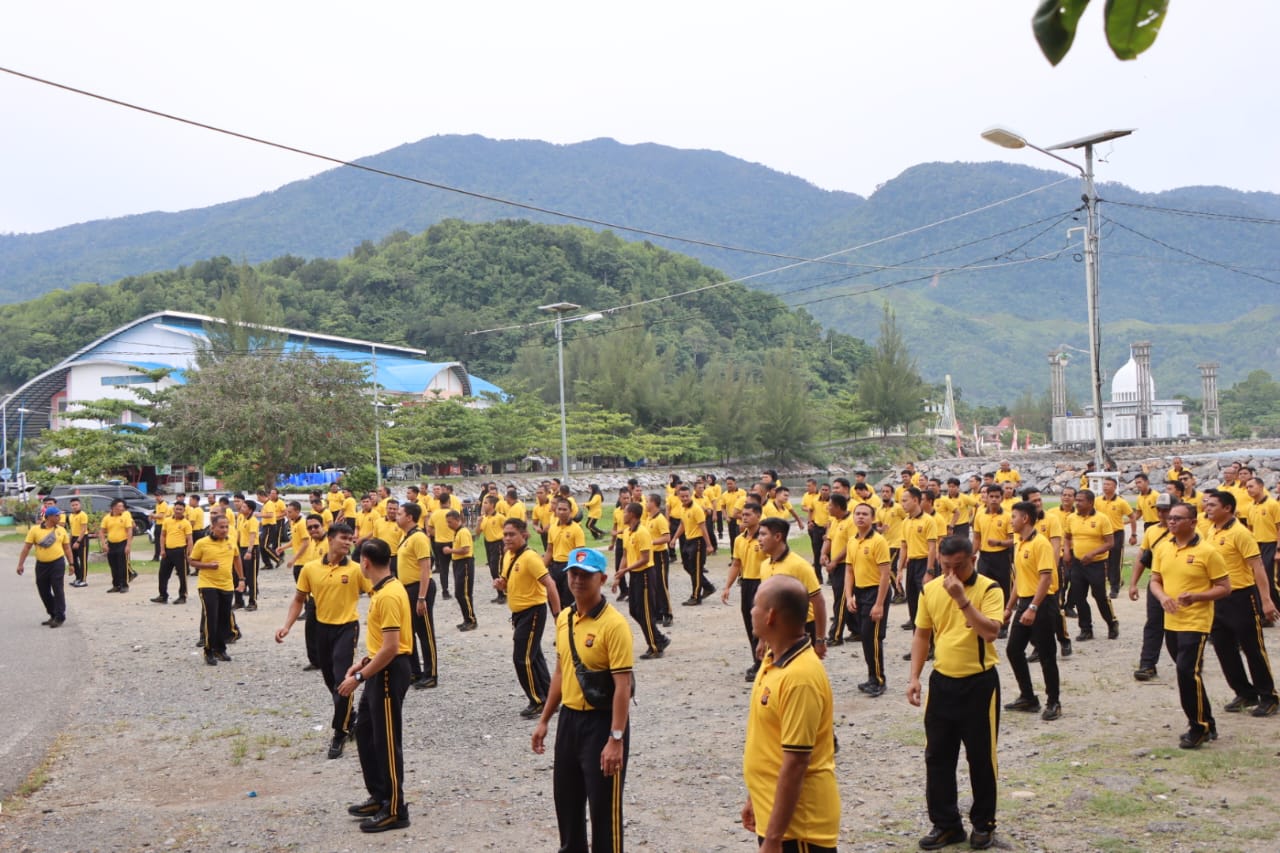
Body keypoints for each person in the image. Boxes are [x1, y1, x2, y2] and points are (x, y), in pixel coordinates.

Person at [531, 547, 634, 853]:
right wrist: (545, 719)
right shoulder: (564, 617)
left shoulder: (614, 626)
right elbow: (561, 673)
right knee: (567, 802)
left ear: (601, 579)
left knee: (604, 811)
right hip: (570, 721)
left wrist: (616, 738)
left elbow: (622, 686)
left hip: (602, 723)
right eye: (573, 574)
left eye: (585, 575)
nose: (577, 581)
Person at [907, 536, 1004, 851]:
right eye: (945, 567)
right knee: (937, 757)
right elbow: (922, 635)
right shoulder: (931, 589)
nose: (951, 574)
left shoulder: (990, 589)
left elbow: (991, 632)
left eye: (958, 566)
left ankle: (984, 824)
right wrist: (914, 677)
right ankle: (946, 825)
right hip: (942, 683)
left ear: (973, 559)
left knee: (981, 759)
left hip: (979, 684)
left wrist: (963, 600)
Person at [739, 574, 839, 853]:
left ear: (771, 616)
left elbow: (796, 762)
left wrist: (773, 839)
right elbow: (768, 740)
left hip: (800, 829)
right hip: (777, 816)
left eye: (755, 606)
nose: (751, 611)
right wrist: (755, 797)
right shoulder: (773, 660)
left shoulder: (800, 677)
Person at [274, 523, 371, 758]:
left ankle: (340, 732)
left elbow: (376, 595)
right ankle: (351, 717)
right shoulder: (310, 569)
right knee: (331, 681)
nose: (348, 542)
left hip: (347, 628)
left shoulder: (357, 570)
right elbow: (299, 599)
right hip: (321, 628)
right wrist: (286, 625)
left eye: (351, 539)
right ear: (330, 539)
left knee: (342, 680)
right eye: (343, 538)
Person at [339, 537, 413, 833]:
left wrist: (360, 676)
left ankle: (396, 808)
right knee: (367, 732)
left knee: (386, 740)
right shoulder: (383, 590)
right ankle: (380, 795)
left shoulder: (389, 595)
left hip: (387, 672)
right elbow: (382, 643)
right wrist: (363, 662)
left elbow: (392, 647)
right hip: (377, 667)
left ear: (366, 563)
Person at [1148, 503, 1232, 748]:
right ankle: (1207, 720)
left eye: (1178, 518)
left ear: (1193, 522)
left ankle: (1199, 728)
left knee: (1186, 671)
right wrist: (1163, 597)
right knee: (1189, 674)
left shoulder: (1208, 552)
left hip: (1196, 622)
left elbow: (1224, 588)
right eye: (1170, 518)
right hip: (1171, 621)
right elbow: (1155, 580)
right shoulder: (1163, 548)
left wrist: (1197, 596)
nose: (1171, 522)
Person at [1201, 490, 1280, 717]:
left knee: (1253, 648)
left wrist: (1266, 601)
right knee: (1224, 648)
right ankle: (1245, 692)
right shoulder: (1211, 531)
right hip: (1217, 598)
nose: (1207, 508)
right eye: (1207, 504)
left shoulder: (1240, 533)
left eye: (1213, 505)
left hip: (1241, 597)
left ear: (1227, 508)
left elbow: (1258, 568)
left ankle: (1269, 696)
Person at [494, 518, 562, 718]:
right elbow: (508, 581)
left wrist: (557, 614)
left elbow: (550, 584)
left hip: (533, 612)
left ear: (523, 535)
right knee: (535, 656)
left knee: (522, 659)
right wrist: (501, 584)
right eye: (505, 534)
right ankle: (551, 696)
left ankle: (538, 701)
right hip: (519, 614)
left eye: (511, 534)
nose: (507, 538)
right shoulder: (508, 555)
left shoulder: (530, 558)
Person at [1004, 502, 1062, 721]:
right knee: (1013, 649)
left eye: (1014, 516)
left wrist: (1034, 607)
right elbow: (1020, 579)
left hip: (1042, 604)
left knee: (1047, 655)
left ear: (1025, 519)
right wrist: (1009, 607)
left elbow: (1046, 578)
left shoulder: (1041, 544)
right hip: (1025, 603)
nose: (1011, 520)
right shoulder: (1019, 543)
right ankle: (1028, 697)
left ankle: (1053, 702)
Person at [757, 518, 827, 656]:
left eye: (763, 534)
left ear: (778, 537)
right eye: (759, 534)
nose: (759, 539)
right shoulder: (764, 565)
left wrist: (820, 639)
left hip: (802, 629)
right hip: (776, 629)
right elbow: (765, 605)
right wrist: (762, 639)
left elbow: (818, 601)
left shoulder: (799, 566)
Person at [845, 501, 892, 697]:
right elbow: (849, 570)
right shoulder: (852, 541)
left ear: (872, 518)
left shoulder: (878, 541)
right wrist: (849, 596)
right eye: (858, 514)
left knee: (873, 637)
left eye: (865, 514)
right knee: (865, 637)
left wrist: (879, 604)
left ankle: (879, 679)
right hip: (860, 592)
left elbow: (885, 574)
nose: (861, 517)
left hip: (876, 592)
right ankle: (872, 676)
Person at [612, 502, 670, 660]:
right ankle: (660, 638)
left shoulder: (642, 533)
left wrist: (626, 570)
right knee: (634, 610)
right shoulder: (627, 532)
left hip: (645, 574)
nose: (622, 515)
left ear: (632, 514)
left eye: (625, 512)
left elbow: (645, 559)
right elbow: (625, 555)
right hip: (635, 575)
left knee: (645, 612)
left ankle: (655, 647)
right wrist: (619, 576)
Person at [1130, 494, 1176, 681]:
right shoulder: (1152, 532)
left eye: (1165, 509)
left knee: (1178, 628)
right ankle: (1147, 664)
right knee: (1154, 624)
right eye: (1159, 509)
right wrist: (1133, 583)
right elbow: (1142, 557)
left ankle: (1190, 659)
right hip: (1157, 584)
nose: (1161, 513)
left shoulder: (1188, 530)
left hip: (1180, 585)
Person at [190, 514, 245, 666]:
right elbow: (192, 561)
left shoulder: (231, 541)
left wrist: (241, 579)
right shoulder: (202, 543)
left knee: (224, 618)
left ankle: (220, 649)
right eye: (221, 527)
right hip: (207, 585)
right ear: (212, 527)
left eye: (226, 526)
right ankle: (209, 650)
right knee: (211, 618)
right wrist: (207, 565)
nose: (224, 530)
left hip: (226, 585)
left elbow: (237, 558)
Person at [1064, 489, 1119, 641]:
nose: (1077, 503)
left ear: (1090, 503)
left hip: (1097, 564)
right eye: (1077, 500)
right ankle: (1086, 629)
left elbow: (1110, 543)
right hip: (1078, 563)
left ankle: (1111, 622)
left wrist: (1093, 553)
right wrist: (1067, 551)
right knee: (1078, 596)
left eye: (1081, 501)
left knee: (1100, 596)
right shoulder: (1071, 518)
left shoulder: (1102, 519)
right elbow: (1067, 537)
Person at [723, 501, 766, 680]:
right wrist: (727, 586)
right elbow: (736, 563)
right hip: (747, 583)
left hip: (763, 583)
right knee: (750, 623)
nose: (744, 517)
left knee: (763, 624)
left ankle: (765, 662)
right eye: (743, 514)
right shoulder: (740, 539)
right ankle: (757, 661)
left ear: (758, 516)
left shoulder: (764, 537)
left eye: (748, 515)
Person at [397, 502, 437, 688]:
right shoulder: (406, 537)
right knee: (408, 632)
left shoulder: (419, 537)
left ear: (409, 517)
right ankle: (415, 672)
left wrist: (422, 597)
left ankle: (431, 674)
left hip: (420, 588)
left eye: (399, 513)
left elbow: (425, 568)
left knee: (425, 632)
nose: (396, 516)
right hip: (407, 589)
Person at [16, 506, 74, 627]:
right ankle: (52, 613)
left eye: (60, 515)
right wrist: (20, 564)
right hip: (42, 564)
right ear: (49, 517)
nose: (60, 517)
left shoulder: (61, 530)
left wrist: (71, 564)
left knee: (58, 589)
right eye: (57, 515)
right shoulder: (35, 530)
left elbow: (67, 548)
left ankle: (60, 616)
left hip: (57, 563)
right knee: (43, 590)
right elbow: (27, 547)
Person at [972, 485, 1013, 638]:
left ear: (1002, 498)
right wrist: (971, 555)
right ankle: (985, 622)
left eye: (997, 496)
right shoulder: (980, 515)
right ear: (986, 497)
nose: (994, 499)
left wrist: (999, 543)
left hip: (1001, 556)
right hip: (985, 557)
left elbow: (1013, 539)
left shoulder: (1008, 516)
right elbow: (976, 538)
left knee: (1003, 591)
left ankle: (1004, 624)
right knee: (983, 589)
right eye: (991, 496)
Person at [672, 484, 716, 605]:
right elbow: (682, 524)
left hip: (698, 541)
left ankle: (696, 597)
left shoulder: (696, 509)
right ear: (679, 497)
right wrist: (674, 538)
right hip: (688, 540)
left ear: (690, 495)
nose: (685, 498)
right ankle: (707, 586)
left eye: (687, 496)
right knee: (687, 566)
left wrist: (709, 545)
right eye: (682, 496)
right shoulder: (683, 508)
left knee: (696, 569)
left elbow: (703, 528)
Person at [1095, 477, 1136, 598]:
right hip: (1101, 534)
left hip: (1116, 534)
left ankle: (1114, 588)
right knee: (1103, 561)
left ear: (1114, 487)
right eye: (1104, 484)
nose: (1105, 486)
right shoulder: (1097, 501)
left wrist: (1133, 534)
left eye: (1108, 484)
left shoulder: (1121, 502)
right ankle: (1116, 581)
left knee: (1115, 561)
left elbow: (1132, 516)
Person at [153, 501, 193, 604]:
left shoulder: (186, 523)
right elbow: (163, 535)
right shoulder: (167, 521)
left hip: (180, 551)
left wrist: (190, 553)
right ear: (173, 509)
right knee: (163, 574)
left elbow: (189, 539)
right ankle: (163, 595)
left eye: (180, 509)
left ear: (184, 511)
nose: (178, 511)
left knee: (182, 574)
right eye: (176, 509)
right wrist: (162, 549)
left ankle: (182, 596)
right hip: (167, 550)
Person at [444, 509, 478, 630]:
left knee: (464, 593)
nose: (449, 525)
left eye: (450, 522)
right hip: (458, 563)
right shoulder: (457, 532)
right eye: (447, 522)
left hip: (465, 563)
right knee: (459, 593)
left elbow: (466, 549)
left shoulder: (463, 532)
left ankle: (471, 620)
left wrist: (450, 550)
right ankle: (466, 618)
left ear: (458, 520)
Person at [98, 498, 134, 593]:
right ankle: (116, 585)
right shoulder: (107, 518)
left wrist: (128, 545)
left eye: (122, 506)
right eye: (119, 506)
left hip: (122, 542)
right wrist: (104, 543)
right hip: (111, 544)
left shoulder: (125, 516)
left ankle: (124, 585)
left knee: (122, 565)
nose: (122, 508)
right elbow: (101, 531)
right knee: (113, 565)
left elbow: (129, 531)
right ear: (113, 507)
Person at [478, 495, 507, 603]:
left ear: (492, 505)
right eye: (483, 503)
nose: (483, 505)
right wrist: (478, 522)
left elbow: (507, 530)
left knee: (497, 569)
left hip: (498, 544)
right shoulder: (484, 518)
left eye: (486, 503)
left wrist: (506, 545)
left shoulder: (500, 517)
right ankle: (500, 593)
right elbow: (477, 533)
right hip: (488, 544)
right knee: (492, 569)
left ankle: (504, 593)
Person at [65, 498, 91, 588]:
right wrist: (69, 541)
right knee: (73, 559)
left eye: (76, 504)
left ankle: (83, 580)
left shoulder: (83, 515)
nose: (75, 507)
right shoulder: (71, 516)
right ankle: (78, 577)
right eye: (73, 505)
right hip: (74, 537)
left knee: (83, 559)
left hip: (82, 538)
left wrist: (78, 541)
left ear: (80, 505)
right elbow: (72, 529)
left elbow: (84, 529)